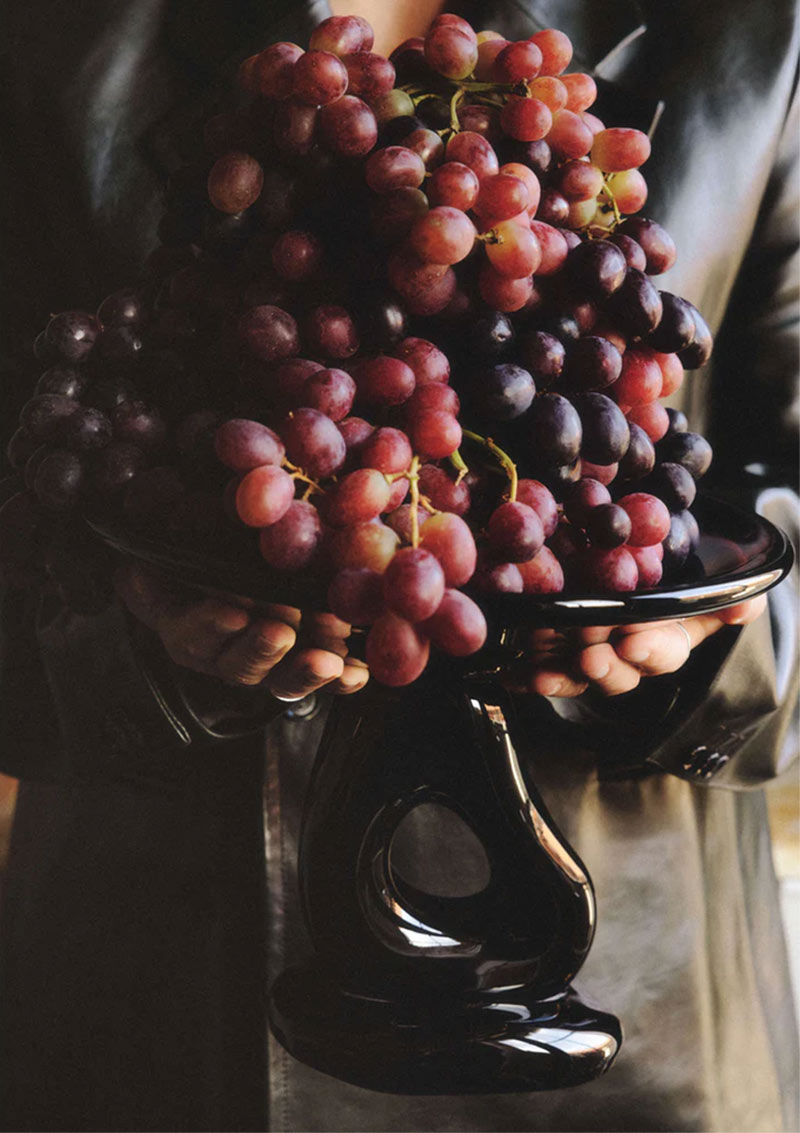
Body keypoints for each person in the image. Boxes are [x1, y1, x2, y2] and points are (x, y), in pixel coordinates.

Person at [0, 0, 797, 1130]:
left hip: (634, 1039)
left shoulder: (755, 31)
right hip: (164, 1022)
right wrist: (134, 648)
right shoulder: (48, 34)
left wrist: (693, 651)